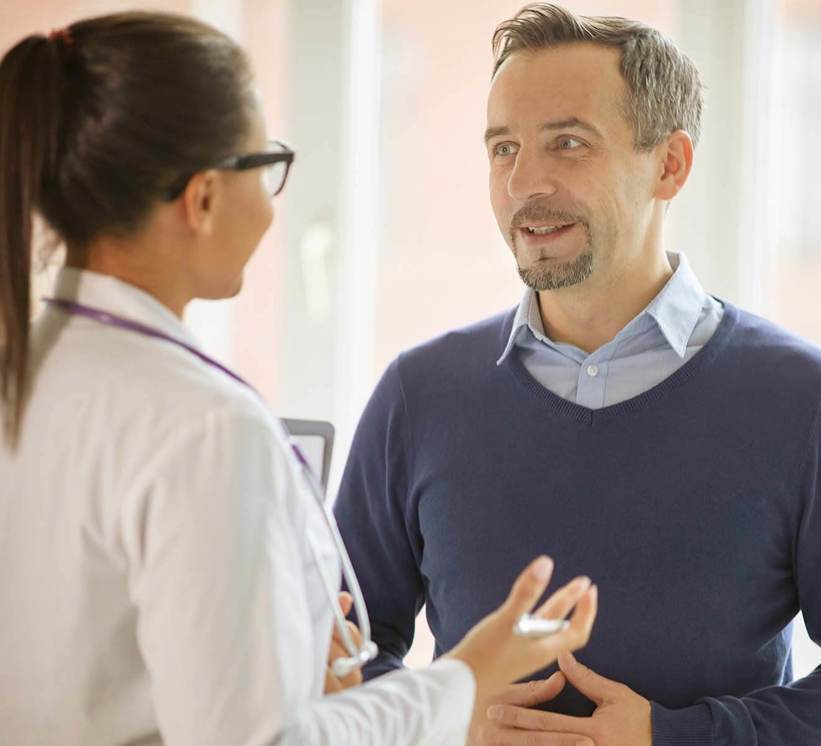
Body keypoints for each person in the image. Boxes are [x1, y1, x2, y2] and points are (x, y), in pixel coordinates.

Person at [333, 3, 821, 745]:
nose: (525, 182)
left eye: (568, 144)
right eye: (503, 148)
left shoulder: (809, 403)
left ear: (670, 164)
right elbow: (336, 658)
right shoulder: (418, 396)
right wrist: (439, 722)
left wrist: (672, 737)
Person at [0, 12, 597, 745]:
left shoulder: (33, 369)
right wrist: (467, 677)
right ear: (205, 198)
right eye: (268, 162)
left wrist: (287, 671)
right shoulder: (202, 426)